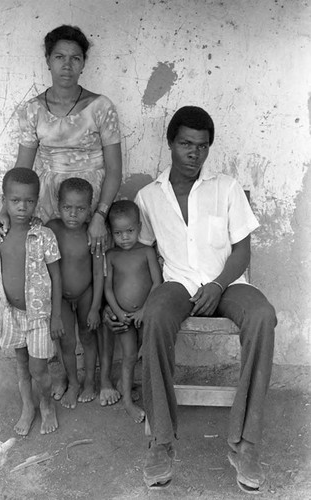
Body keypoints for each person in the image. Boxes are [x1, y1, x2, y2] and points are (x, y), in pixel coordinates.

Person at [106, 106, 277, 493]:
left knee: (264, 316)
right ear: (170, 144)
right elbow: (140, 255)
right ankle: (161, 443)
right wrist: (125, 303)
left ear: (209, 148)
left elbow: (242, 251)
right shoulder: (149, 197)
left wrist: (217, 285)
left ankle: (245, 443)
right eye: (186, 143)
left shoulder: (226, 187)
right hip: (178, 284)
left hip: (228, 284)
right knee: (157, 316)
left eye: (202, 146)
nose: (194, 153)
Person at [0, 24, 122, 406]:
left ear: (84, 64)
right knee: (53, 293)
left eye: (75, 58)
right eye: (59, 57)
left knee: (96, 289)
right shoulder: (32, 110)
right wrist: (4, 211)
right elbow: (23, 168)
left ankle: (103, 377)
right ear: (48, 61)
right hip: (50, 210)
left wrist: (100, 213)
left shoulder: (101, 107)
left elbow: (114, 170)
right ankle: (62, 374)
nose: (67, 65)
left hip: (91, 207)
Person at [0, 168, 64, 436]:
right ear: (4, 200)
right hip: (11, 314)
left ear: (37, 200)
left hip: (39, 317)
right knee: (21, 366)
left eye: (29, 201)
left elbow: (56, 276)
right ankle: (27, 406)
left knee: (38, 368)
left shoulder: (44, 236)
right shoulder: (0, 235)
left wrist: (56, 316)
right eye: (15, 201)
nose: (22, 207)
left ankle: (45, 402)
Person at [46, 178, 104, 409]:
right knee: (67, 342)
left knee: (88, 337)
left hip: (86, 294)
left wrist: (95, 308)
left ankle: (89, 382)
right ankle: (73, 383)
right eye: (67, 208)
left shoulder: (93, 233)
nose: (73, 214)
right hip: (59, 296)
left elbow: (99, 274)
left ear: (89, 209)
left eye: (80, 209)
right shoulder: (51, 229)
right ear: (58, 205)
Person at [104, 200, 162, 423]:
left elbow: (157, 283)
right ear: (111, 232)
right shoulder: (111, 256)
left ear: (139, 227)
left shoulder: (147, 252)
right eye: (118, 233)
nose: (125, 237)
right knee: (128, 357)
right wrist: (118, 312)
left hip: (146, 315)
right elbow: (108, 289)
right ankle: (128, 402)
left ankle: (148, 395)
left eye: (129, 231)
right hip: (124, 318)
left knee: (146, 354)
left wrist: (145, 310)